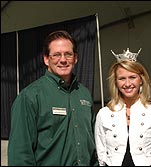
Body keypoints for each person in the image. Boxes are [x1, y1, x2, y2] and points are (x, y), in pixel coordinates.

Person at [8, 30, 98, 166]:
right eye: (56, 55)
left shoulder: (84, 94)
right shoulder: (30, 96)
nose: (63, 60)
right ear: (46, 59)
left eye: (68, 54)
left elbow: (92, 144)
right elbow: (20, 152)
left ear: (75, 58)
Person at [94, 48, 151, 166]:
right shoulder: (104, 114)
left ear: (141, 80)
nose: (128, 84)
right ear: (116, 82)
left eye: (132, 77)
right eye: (122, 78)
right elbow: (101, 152)